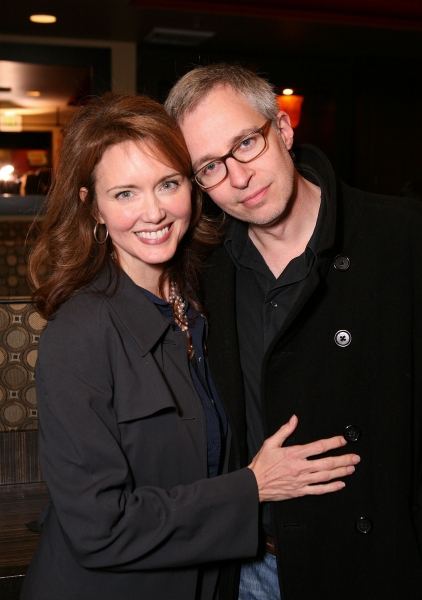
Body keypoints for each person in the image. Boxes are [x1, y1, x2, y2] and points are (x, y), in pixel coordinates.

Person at [20, 93, 359, 600]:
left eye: (168, 184)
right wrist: (253, 488)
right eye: (125, 193)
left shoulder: (203, 300)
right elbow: (98, 527)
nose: (153, 212)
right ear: (92, 206)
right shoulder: (81, 332)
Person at [165, 64, 422, 600]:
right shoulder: (201, 271)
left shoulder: (401, 237)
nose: (237, 177)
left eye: (245, 144)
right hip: (253, 570)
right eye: (210, 166)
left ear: (282, 129)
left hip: (378, 566)